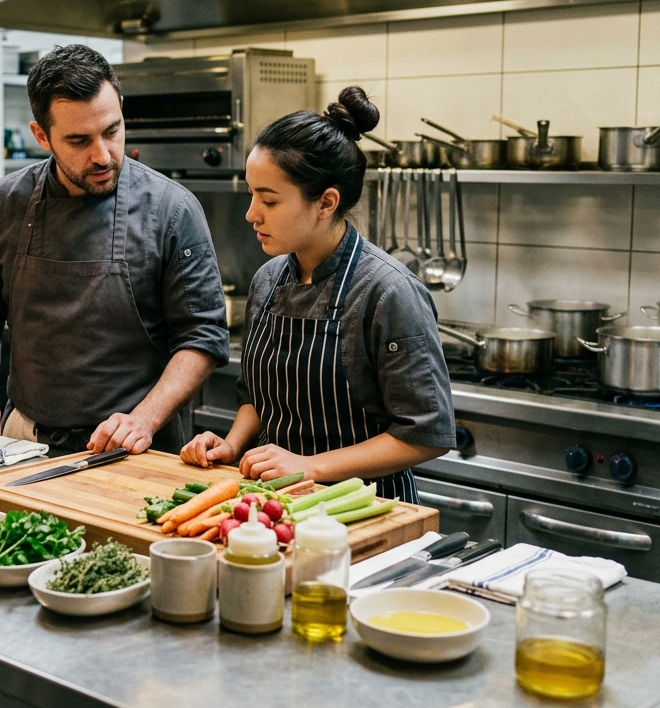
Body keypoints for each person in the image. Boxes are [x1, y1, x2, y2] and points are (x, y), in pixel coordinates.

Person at [179, 88, 456, 503]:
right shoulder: (268, 278)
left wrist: (311, 466)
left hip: (366, 508)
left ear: (326, 202)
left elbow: (426, 435)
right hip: (276, 503)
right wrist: (233, 444)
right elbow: (257, 398)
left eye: (269, 200)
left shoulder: (389, 291)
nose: (251, 213)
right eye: (252, 194)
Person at [0, 44, 229, 456]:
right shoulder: (3, 202)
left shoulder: (171, 209)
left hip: (136, 448)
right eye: (79, 140)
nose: (102, 155)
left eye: (111, 131)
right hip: (24, 440)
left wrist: (144, 419)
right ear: (42, 135)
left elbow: (203, 336)